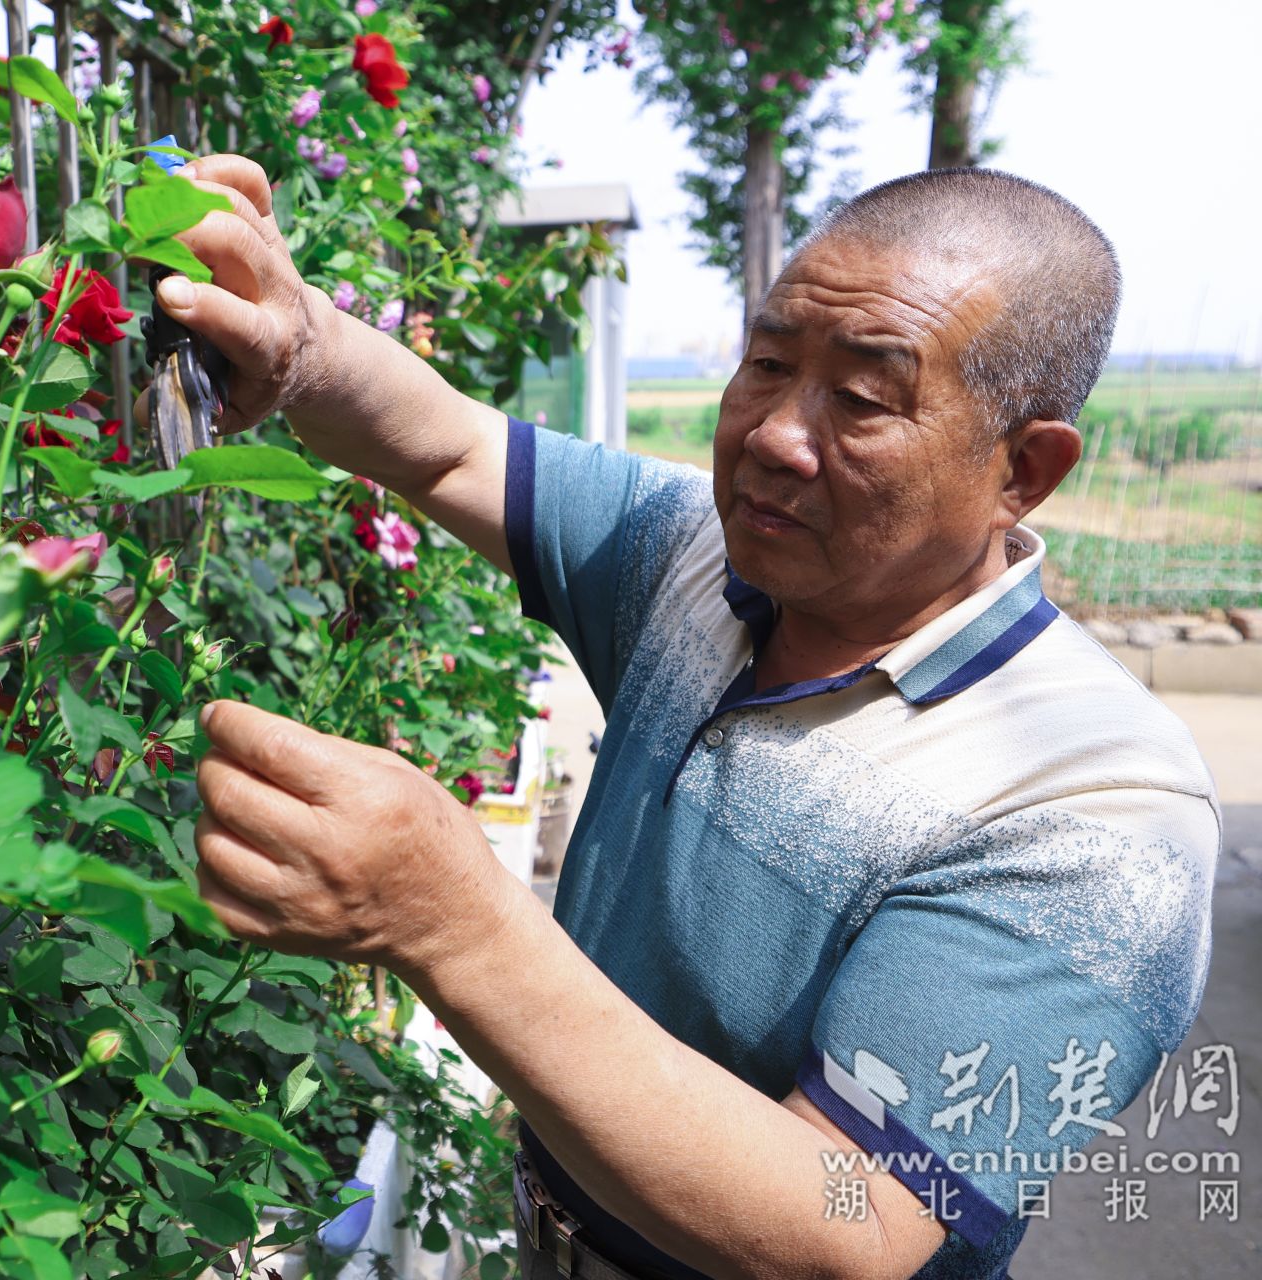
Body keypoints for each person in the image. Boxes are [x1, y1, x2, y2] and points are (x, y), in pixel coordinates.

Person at [160, 157, 1218, 1280]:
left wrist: (450, 919)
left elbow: (847, 1228)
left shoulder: (1101, 808)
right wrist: (303, 340)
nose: (773, 433)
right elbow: (459, 445)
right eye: (766, 363)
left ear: (1024, 470)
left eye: (861, 398)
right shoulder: (701, 559)